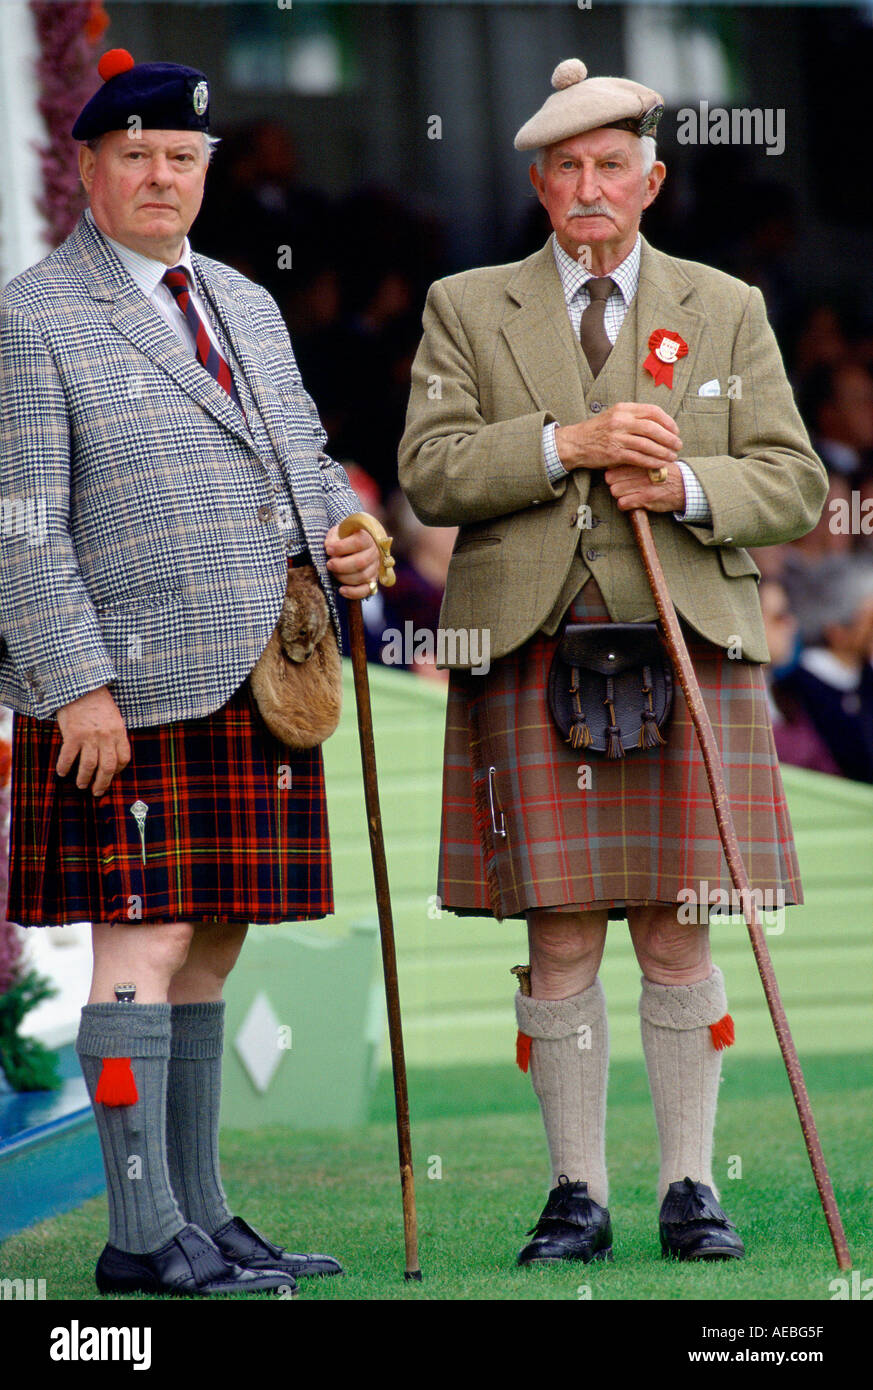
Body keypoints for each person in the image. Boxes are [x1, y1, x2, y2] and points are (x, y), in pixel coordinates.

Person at [399, 58, 828, 1265]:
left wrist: (688, 482)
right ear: (540, 184)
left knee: (682, 927)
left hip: (687, 640)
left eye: (613, 167)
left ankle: (691, 1187)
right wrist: (563, 444)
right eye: (568, 168)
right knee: (562, 931)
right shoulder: (466, 305)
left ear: (652, 182)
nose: (591, 188)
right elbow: (430, 468)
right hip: (533, 640)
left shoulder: (727, 303)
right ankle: (575, 1194)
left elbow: (796, 483)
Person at [0, 50, 380, 1296]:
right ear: (89, 169)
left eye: (183, 159)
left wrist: (345, 531)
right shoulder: (35, 311)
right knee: (141, 949)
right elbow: (19, 522)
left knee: (212, 947)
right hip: (130, 685)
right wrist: (73, 682)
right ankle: (136, 1235)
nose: (163, 176)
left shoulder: (243, 303)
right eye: (138, 157)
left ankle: (201, 1217)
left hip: (263, 670)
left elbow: (304, 453)